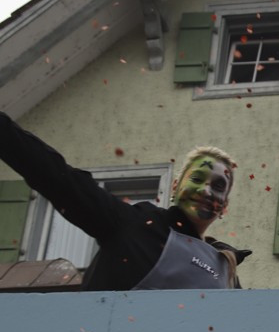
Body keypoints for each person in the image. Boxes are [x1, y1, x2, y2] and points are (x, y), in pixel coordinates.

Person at [0, 111, 248, 290]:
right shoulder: (135, 226)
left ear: (224, 206)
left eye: (218, 186)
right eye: (197, 178)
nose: (206, 191)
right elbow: (60, 179)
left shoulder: (227, 270)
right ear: (176, 186)